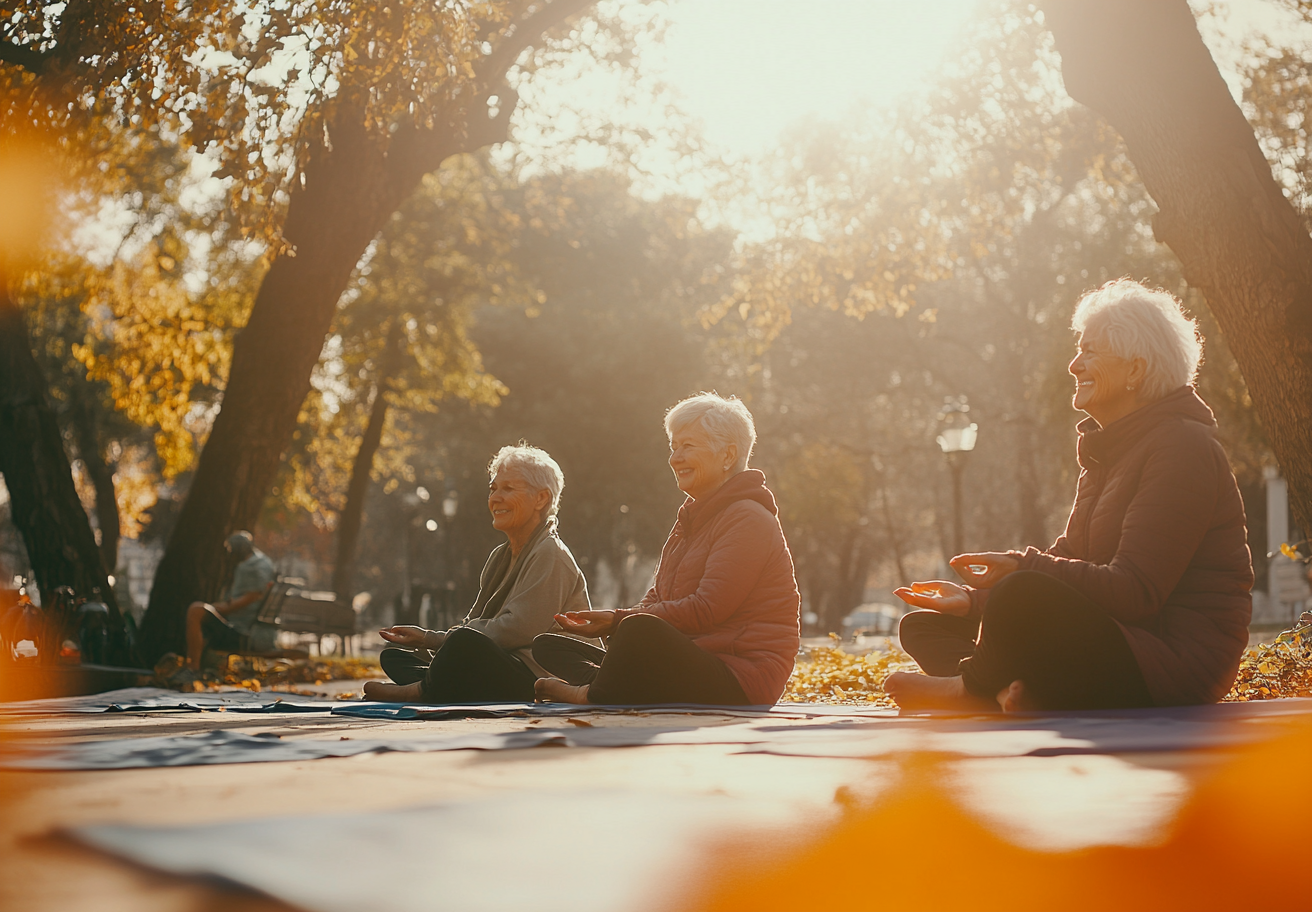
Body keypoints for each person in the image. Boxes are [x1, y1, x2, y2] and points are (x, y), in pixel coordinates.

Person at [885, 278, 1254, 712]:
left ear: (1135, 371)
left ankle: (970, 690)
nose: (1075, 366)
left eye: (1090, 352)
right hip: (1120, 638)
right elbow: (1073, 560)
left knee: (1018, 593)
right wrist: (972, 601)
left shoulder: (1182, 447)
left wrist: (1019, 571)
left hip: (1169, 661)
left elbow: (1135, 592)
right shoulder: (1108, 452)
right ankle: (1008, 693)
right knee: (924, 627)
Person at [532, 392, 801, 706]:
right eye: (674, 447)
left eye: (688, 446)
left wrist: (621, 620)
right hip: (692, 658)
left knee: (637, 629)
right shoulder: (692, 516)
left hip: (740, 676)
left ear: (728, 455)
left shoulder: (748, 518)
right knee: (549, 646)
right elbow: (658, 596)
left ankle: (595, 693)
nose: (675, 458)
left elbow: (707, 609)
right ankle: (616, 683)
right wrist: (614, 619)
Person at [362, 444, 593, 703]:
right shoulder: (500, 556)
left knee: (463, 643)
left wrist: (433, 639)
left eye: (508, 489)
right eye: (493, 489)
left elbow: (515, 631)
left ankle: (422, 691)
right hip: (502, 663)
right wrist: (429, 640)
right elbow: (476, 620)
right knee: (394, 655)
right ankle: (443, 684)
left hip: (541, 677)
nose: (496, 498)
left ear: (541, 499)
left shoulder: (551, 553)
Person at [183, 531, 278, 671]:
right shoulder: (263, 561)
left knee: (196, 610)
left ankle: (192, 669)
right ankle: (206, 666)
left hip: (246, 635)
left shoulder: (249, 567)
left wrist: (216, 608)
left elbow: (250, 598)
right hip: (262, 634)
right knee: (205, 614)